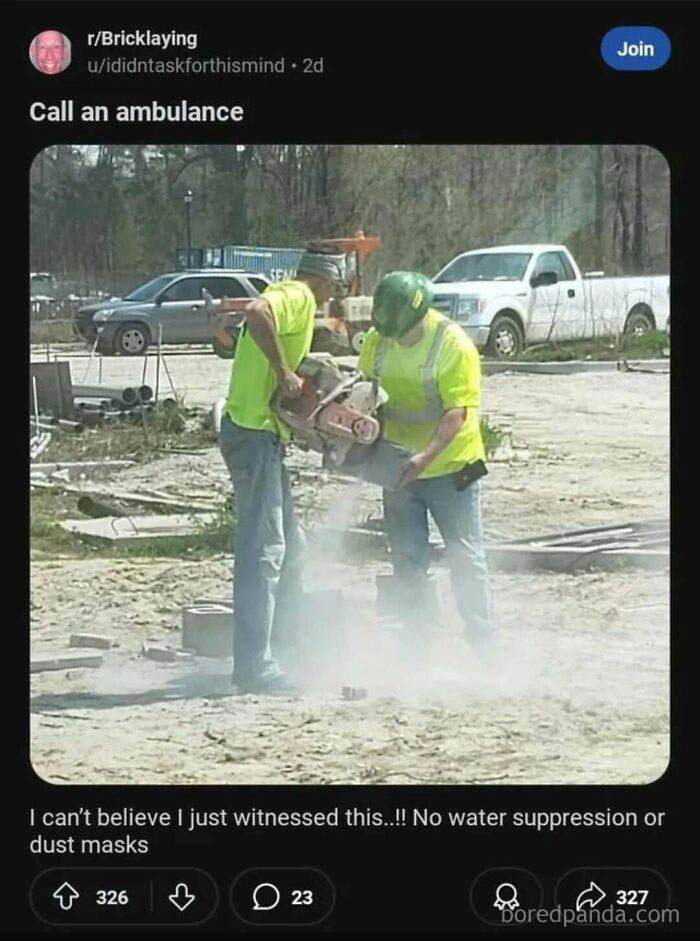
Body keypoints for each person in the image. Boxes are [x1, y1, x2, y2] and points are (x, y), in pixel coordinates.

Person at [214, 247, 345, 693]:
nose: (332, 297)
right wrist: (283, 371)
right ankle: (254, 667)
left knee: (292, 547)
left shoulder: (289, 297)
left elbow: (245, 324)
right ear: (325, 282)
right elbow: (255, 311)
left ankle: (286, 646)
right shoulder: (296, 296)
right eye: (334, 289)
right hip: (253, 435)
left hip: (259, 433)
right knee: (263, 551)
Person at [358, 271, 496, 664]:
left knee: (465, 556)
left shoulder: (453, 345)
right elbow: (365, 391)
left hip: (453, 467)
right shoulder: (378, 338)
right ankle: (415, 644)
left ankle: (484, 644)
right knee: (406, 557)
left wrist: (424, 458)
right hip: (398, 467)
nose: (393, 338)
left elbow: (456, 414)